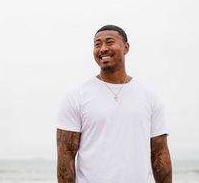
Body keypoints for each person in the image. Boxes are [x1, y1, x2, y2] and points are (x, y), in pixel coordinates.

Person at [56, 24, 172, 183]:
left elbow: (159, 152)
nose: (102, 48)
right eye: (97, 44)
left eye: (109, 42)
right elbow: (66, 155)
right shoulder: (76, 96)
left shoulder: (149, 96)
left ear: (126, 47)